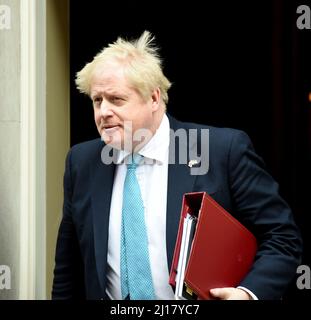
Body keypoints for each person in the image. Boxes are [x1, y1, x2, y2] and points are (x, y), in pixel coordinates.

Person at [52, 31, 302, 300]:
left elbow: (282, 237)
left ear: (154, 98)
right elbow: (69, 268)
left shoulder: (221, 150)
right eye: (97, 100)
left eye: (116, 99)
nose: (103, 112)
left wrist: (247, 294)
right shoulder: (82, 162)